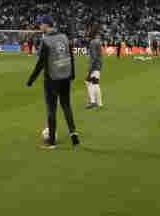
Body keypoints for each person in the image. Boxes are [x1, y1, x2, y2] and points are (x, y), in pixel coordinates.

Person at [26, 15, 79, 149]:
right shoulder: (64, 37)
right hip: (65, 78)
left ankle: (52, 141)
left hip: (52, 79)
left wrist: (31, 80)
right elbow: (70, 55)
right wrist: (72, 73)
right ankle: (74, 135)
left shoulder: (46, 40)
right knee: (66, 106)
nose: (39, 26)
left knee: (51, 109)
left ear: (46, 25)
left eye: (41, 24)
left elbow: (40, 64)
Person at [85, 25, 104, 110]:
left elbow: (95, 57)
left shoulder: (93, 42)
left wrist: (90, 69)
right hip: (98, 65)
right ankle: (96, 102)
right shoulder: (98, 41)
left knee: (91, 83)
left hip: (94, 66)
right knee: (93, 83)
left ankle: (95, 103)